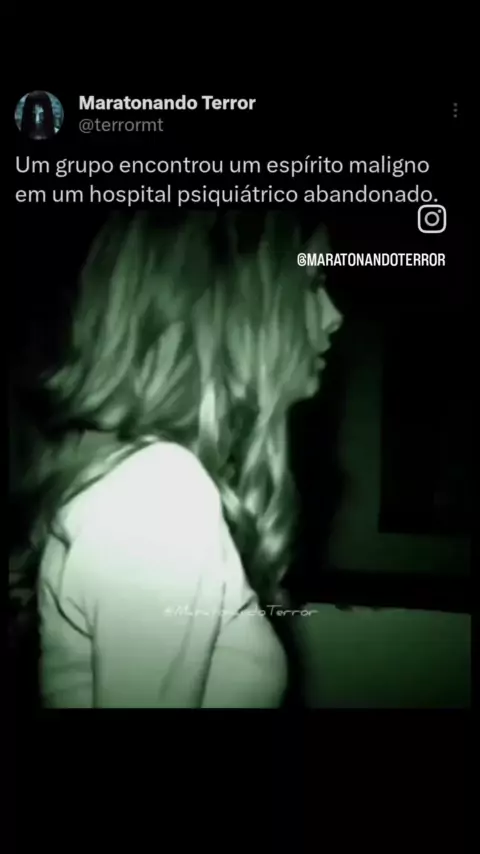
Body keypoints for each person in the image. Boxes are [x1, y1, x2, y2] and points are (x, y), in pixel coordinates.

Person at [10, 213, 343, 708]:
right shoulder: (159, 490)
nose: (334, 314)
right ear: (236, 300)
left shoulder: (144, 483)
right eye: (313, 282)